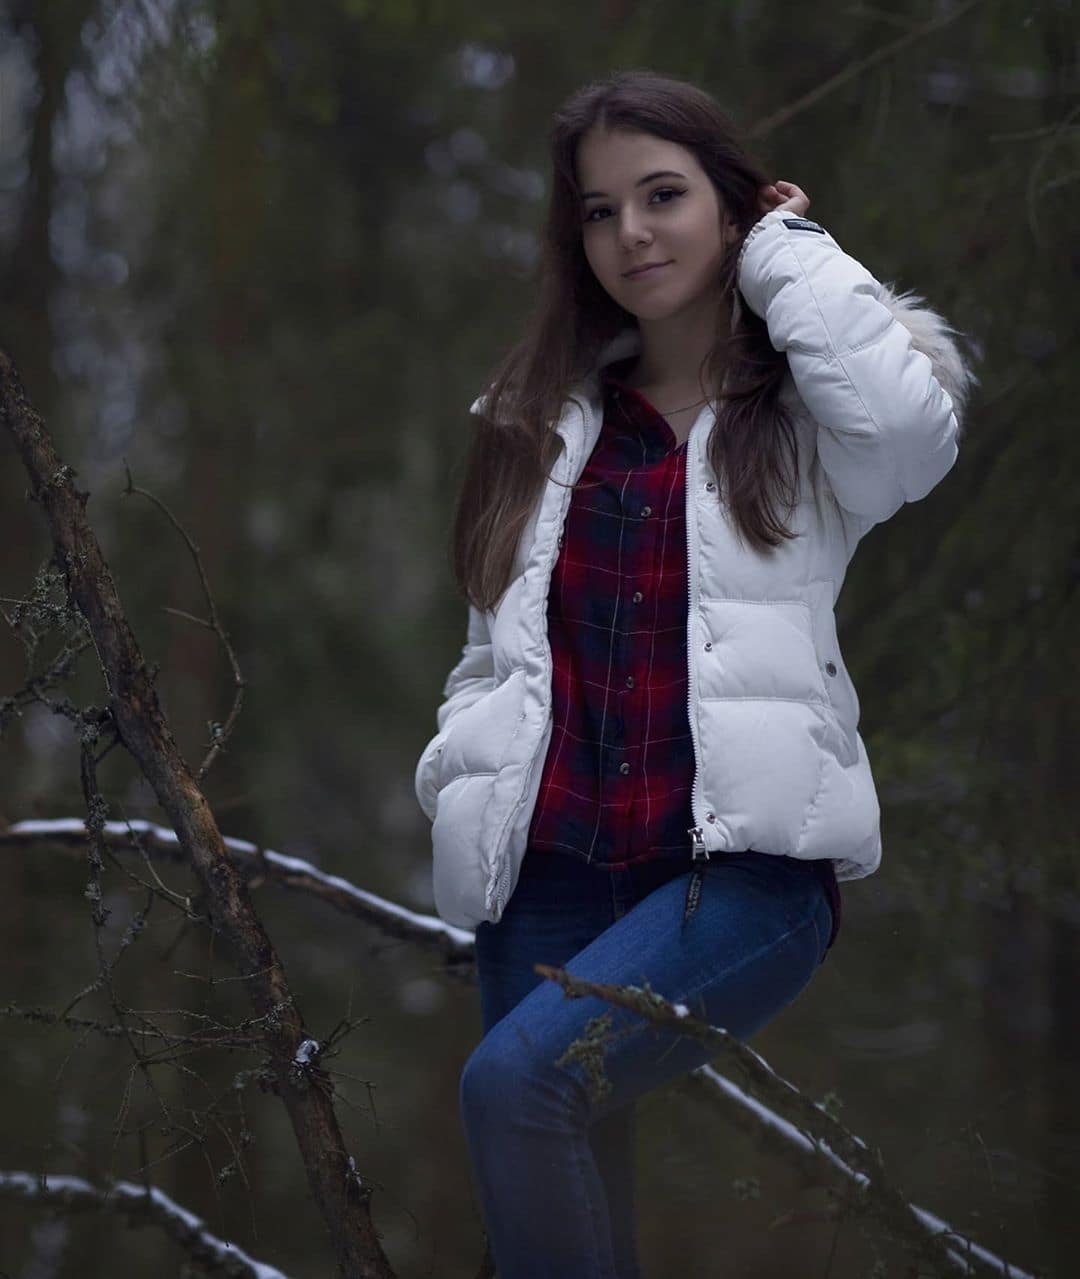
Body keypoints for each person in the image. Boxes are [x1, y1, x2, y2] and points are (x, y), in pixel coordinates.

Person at [413, 69, 977, 1279]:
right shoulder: (536, 419)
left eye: (663, 194)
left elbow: (913, 436)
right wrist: (459, 785)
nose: (631, 232)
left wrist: (785, 249)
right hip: (547, 873)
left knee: (515, 1091)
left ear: (731, 202)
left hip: (740, 878)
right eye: (599, 210)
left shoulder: (807, 414)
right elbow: (486, 654)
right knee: (563, 1194)